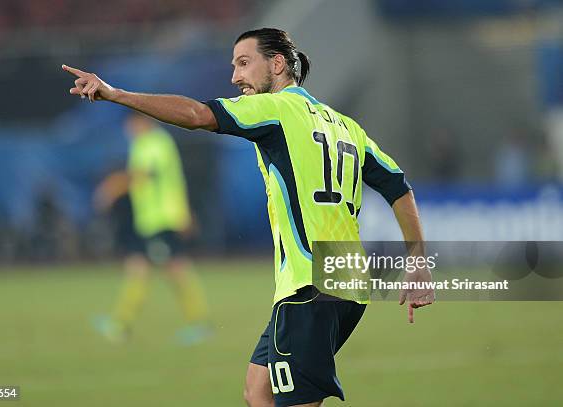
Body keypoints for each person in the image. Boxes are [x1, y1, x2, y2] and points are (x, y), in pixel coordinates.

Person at [63, 27, 434, 407]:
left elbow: (196, 115)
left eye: (244, 63)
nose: (235, 77)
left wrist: (116, 93)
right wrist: (417, 261)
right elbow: (398, 187)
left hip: (310, 286)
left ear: (277, 64)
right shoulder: (344, 125)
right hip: (345, 278)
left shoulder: (275, 109)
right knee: (258, 392)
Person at [92, 112, 211, 345]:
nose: (129, 130)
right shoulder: (144, 143)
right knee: (140, 268)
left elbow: (145, 174)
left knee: (175, 269)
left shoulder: (156, 143)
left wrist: (113, 186)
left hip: (162, 221)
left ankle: (200, 324)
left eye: (131, 125)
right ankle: (120, 324)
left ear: (143, 121)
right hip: (150, 221)